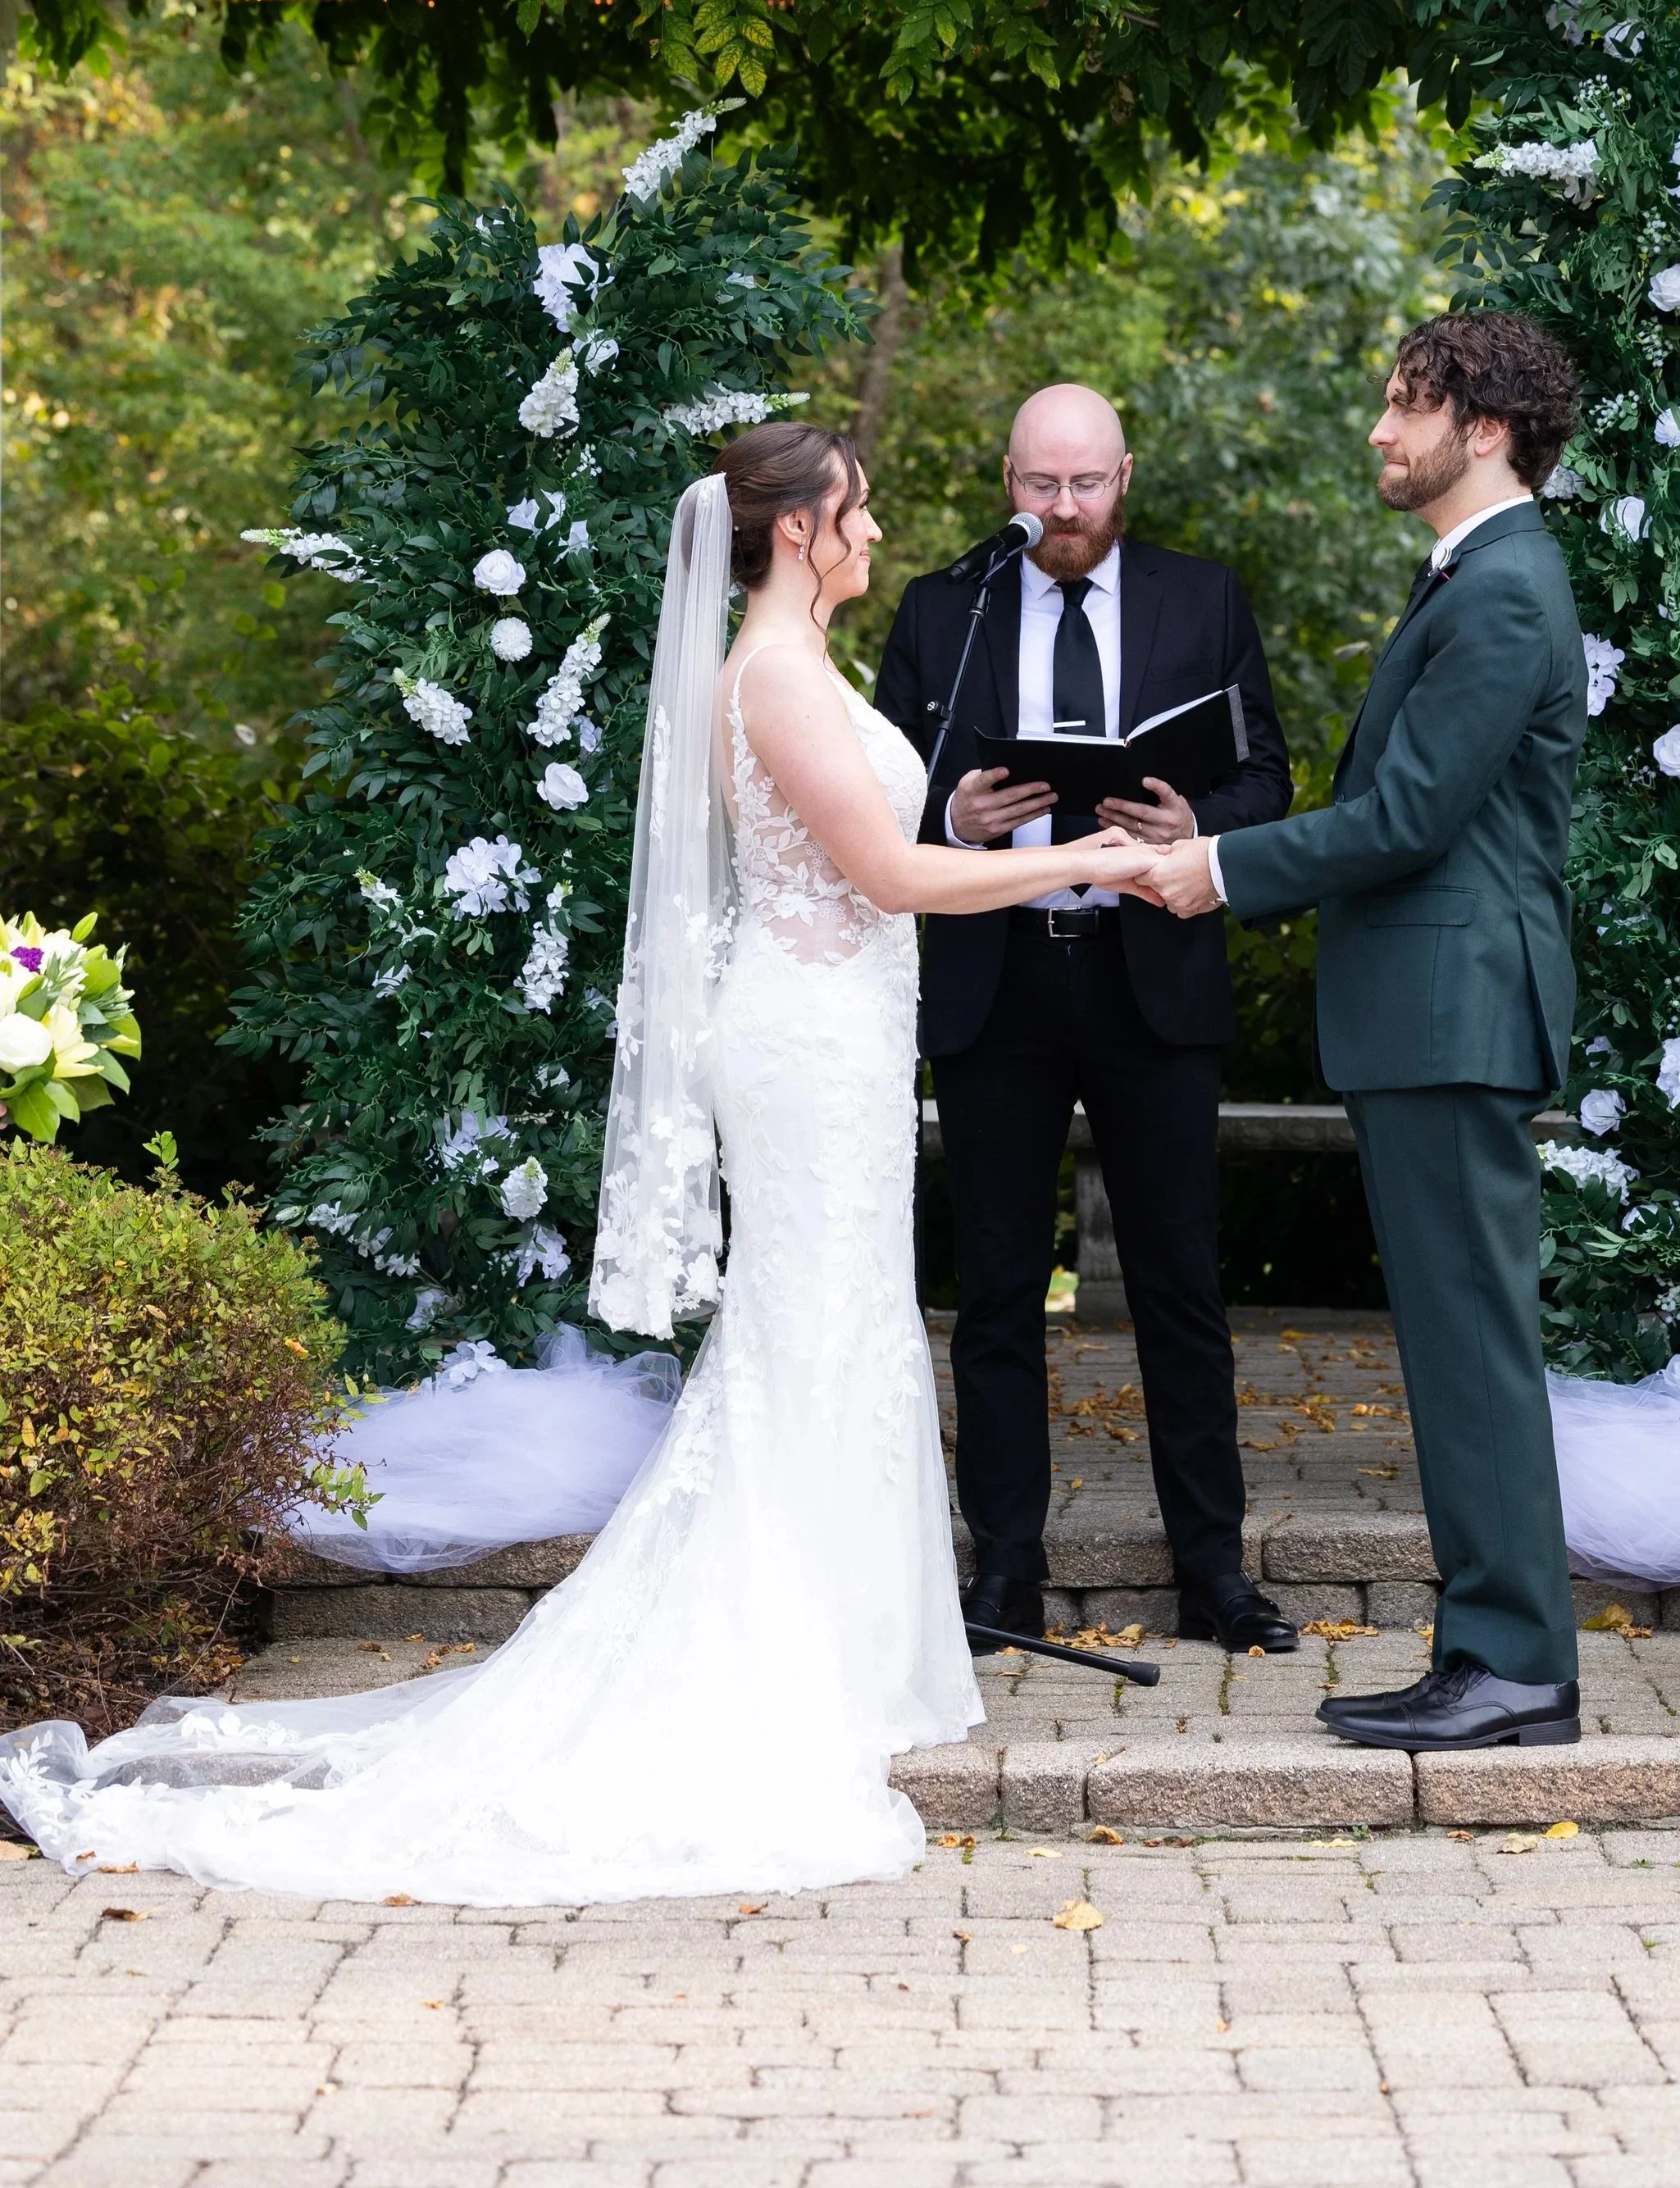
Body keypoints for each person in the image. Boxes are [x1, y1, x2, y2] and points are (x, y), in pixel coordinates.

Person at [0, 425, 1156, 1901]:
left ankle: (852, 1646)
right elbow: (888, 877)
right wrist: (1090, 860)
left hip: (841, 1037)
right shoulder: (782, 676)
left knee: (845, 1320)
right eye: (857, 509)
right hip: (802, 1046)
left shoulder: (791, 670)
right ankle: (791, 1653)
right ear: (799, 530)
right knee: (813, 1324)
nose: (875, 530)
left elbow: (870, 853)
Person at [1137, 312, 1589, 1753]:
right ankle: (1488, 1653)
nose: (1383, 433)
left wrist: (1217, 869)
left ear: (1491, 428)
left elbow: (1409, 819)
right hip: (1429, 1018)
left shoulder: (1508, 588)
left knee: (1474, 1349)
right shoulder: (1477, 576)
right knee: (1458, 1348)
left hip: (1456, 1014)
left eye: (1409, 408)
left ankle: (1516, 1663)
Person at [876, 382, 1296, 1658]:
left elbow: (1266, 770)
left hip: (1149, 970)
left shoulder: (1203, 596)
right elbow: (882, 780)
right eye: (1042, 487)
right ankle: (1003, 1567)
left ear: (1127, 477)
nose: (1064, 512)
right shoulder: (943, 608)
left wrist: (1200, 827)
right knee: (997, 1288)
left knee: (1181, 1285)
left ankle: (1212, 1572)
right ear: (1007, 479)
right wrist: (954, 820)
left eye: (1087, 486)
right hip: (995, 975)